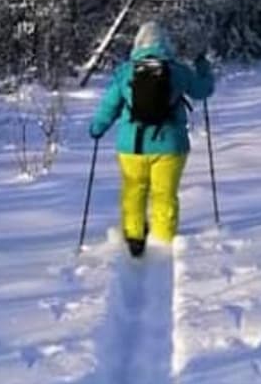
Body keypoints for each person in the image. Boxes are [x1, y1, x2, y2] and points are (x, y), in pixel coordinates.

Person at [88, 22, 216, 257]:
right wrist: (203, 67)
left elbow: (109, 106)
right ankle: (163, 239)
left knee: (133, 190)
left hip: (131, 146)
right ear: (165, 43)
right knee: (164, 193)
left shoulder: (125, 71)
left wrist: (98, 128)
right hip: (171, 145)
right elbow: (202, 90)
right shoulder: (178, 71)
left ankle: (134, 237)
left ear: (138, 43)